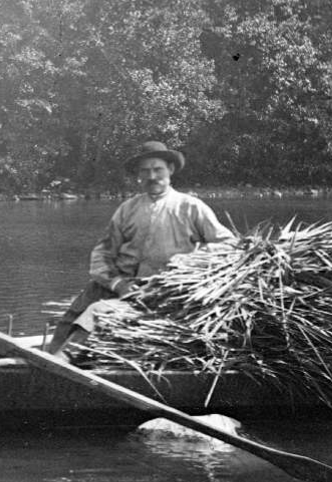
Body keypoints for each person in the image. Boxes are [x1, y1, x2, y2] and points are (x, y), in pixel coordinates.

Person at [46, 140, 236, 355]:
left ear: (170, 169)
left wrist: (189, 261)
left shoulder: (190, 206)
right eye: (145, 171)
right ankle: (47, 358)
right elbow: (103, 252)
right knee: (73, 313)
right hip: (121, 283)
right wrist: (117, 283)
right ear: (138, 175)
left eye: (158, 169)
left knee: (96, 312)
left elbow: (227, 244)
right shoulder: (128, 208)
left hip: (159, 288)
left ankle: (62, 361)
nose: (152, 176)